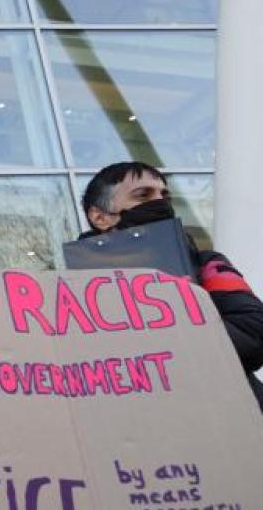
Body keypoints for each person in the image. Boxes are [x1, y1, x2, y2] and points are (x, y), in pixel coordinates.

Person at [80, 161, 263, 409]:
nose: (160, 202)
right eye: (143, 195)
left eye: (164, 195)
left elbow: (253, 334)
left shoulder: (207, 264)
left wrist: (160, 337)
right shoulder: (71, 284)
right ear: (100, 217)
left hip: (230, 413)